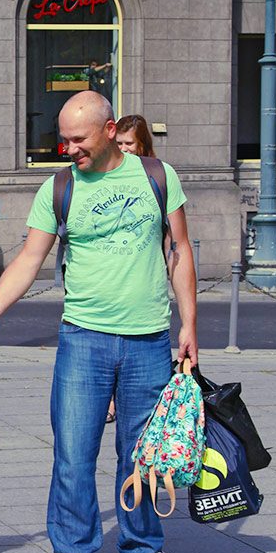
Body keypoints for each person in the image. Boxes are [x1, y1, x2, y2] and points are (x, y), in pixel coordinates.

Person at [0, 91, 197, 553]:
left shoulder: (158, 176)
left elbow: (179, 250)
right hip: (83, 338)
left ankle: (141, 547)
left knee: (142, 453)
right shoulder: (59, 187)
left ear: (110, 131)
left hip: (149, 339)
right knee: (73, 450)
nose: (69, 149)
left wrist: (189, 326)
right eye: (62, 139)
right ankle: (73, 550)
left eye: (78, 139)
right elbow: (28, 258)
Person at [104, 113, 157, 423]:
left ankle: (130, 404)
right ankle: (111, 399)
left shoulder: (155, 175)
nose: (123, 149)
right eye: (119, 143)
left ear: (142, 144)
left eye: (129, 144)